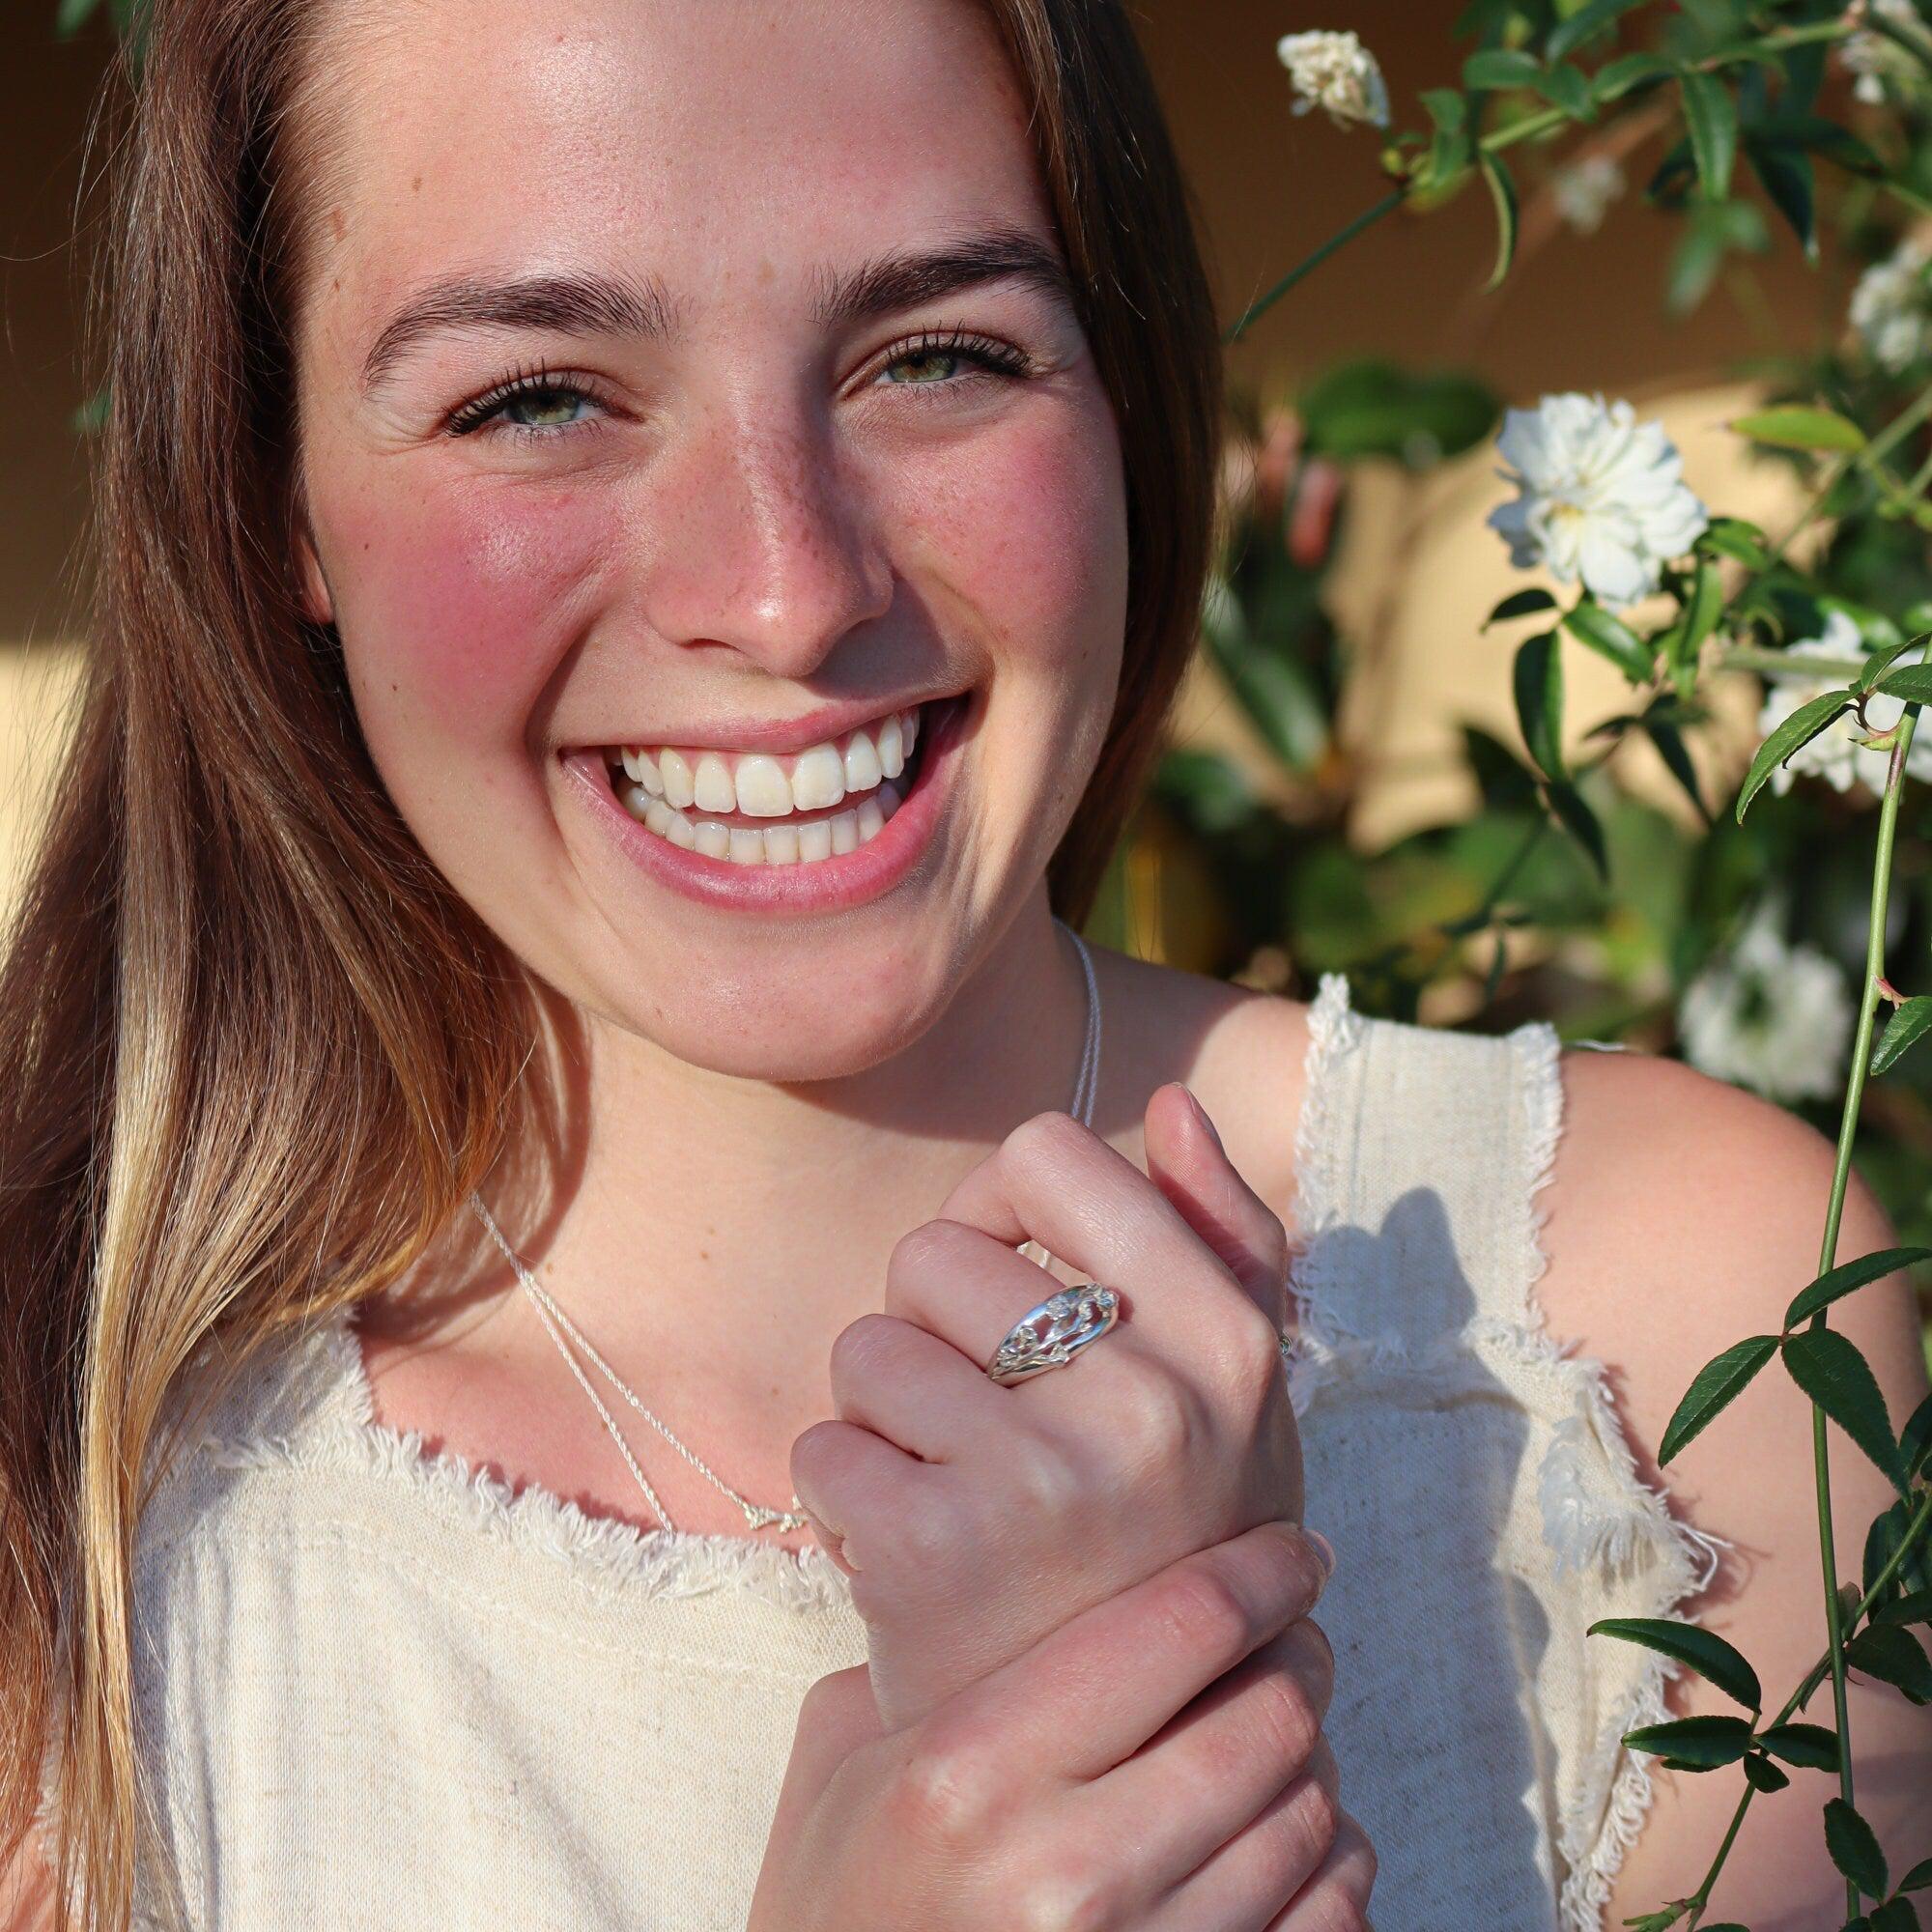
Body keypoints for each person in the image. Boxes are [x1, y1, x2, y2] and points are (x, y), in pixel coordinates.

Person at [2, 0, 1928, 1926]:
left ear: (1121, 393)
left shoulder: (1673, 1342)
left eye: (935, 356)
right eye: (536, 397)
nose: (786, 586)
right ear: (272, 502)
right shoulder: (61, 1511)